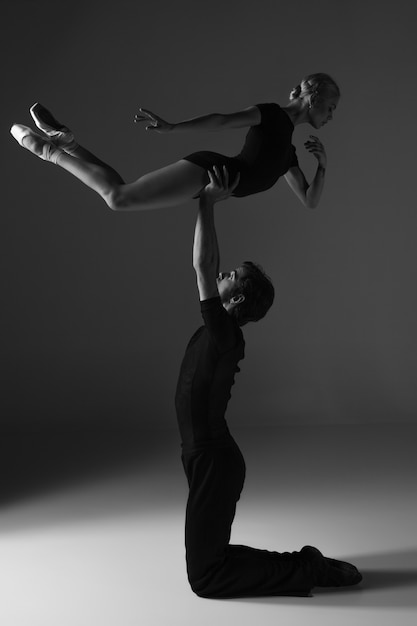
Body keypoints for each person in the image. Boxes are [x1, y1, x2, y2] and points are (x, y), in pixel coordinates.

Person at [175, 165, 362, 598]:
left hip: (213, 462)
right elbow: (208, 269)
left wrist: (207, 201)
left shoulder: (224, 333)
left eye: (232, 276)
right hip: (203, 459)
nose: (222, 274)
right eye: (228, 272)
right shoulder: (219, 331)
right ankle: (304, 564)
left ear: (236, 298)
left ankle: (307, 571)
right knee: (209, 561)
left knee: (205, 580)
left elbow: (203, 265)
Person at [10, 73, 339, 212]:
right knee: (118, 198)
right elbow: (222, 119)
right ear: (313, 98)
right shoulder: (271, 115)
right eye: (331, 106)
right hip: (210, 171)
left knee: (121, 193)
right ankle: (48, 149)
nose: (331, 115)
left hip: (211, 184)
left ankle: (67, 144)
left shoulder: (289, 156)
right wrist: (172, 128)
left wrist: (322, 166)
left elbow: (310, 201)